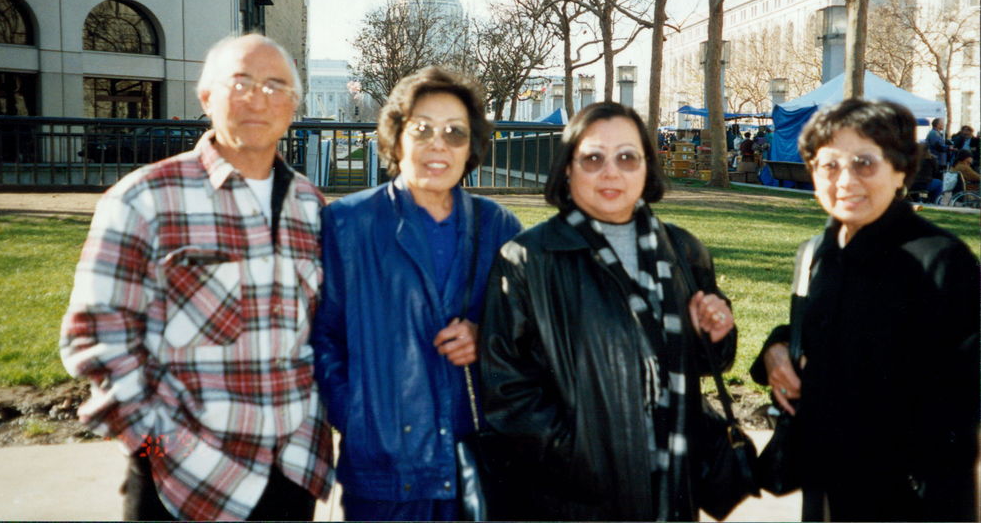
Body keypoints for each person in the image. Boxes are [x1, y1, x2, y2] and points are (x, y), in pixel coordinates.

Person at [60, 34, 334, 521]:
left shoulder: (311, 207)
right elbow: (95, 338)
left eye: (276, 86)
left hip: (289, 473)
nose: (258, 98)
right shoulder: (145, 197)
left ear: (293, 105)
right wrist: (154, 445)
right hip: (183, 480)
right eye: (241, 82)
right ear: (206, 97)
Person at [480, 101, 736, 521]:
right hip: (570, 499)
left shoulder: (683, 250)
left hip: (671, 491)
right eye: (593, 158)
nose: (611, 172)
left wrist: (716, 331)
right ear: (567, 168)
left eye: (627, 157)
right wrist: (578, 455)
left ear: (647, 167)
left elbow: (712, 363)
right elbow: (505, 388)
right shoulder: (528, 259)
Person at [751, 99, 979, 521]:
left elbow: (960, 407)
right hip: (826, 490)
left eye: (864, 163)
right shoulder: (820, 252)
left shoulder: (941, 261)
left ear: (900, 170)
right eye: (829, 165)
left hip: (908, 500)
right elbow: (827, 328)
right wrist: (777, 348)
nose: (845, 180)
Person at [313, 67, 522, 522]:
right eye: (422, 129)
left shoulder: (500, 227)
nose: (438, 145)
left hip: (478, 464)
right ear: (396, 136)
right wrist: (359, 417)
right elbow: (323, 336)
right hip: (384, 471)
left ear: (471, 147)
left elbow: (531, 339)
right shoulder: (348, 224)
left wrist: (485, 338)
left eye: (455, 133)